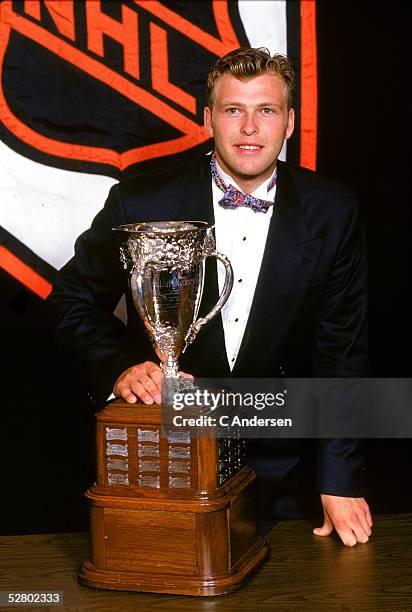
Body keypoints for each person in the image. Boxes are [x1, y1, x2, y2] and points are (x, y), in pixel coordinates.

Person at [49, 47, 372, 547]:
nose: (250, 127)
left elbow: (342, 355)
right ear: (208, 119)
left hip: (287, 478)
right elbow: (69, 301)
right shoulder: (141, 199)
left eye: (266, 110)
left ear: (289, 123)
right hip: (168, 464)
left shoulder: (333, 210)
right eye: (233, 110)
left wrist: (339, 478)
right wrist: (118, 367)